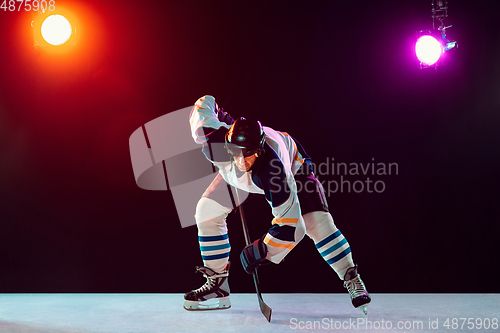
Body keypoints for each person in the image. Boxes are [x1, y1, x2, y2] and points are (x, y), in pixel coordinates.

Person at [183, 95, 371, 314]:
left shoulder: (275, 170)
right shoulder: (211, 135)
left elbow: (292, 226)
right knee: (206, 212)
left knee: (316, 224)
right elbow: (204, 102)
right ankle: (218, 286)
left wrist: (264, 250)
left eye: (248, 155)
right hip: (237, 179)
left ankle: (351, 277)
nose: (242, 162)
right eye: (237, 153)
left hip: (294, 166)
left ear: (260, 150)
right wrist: (223, 116)